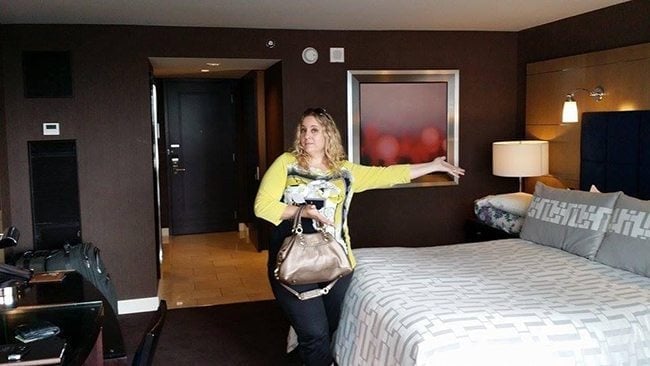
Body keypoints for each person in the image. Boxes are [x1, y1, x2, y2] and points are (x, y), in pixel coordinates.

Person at [254, 107, 465, 366]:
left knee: (326, 329)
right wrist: (301, 211)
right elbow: (262, 206)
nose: (307, 135)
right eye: (304, 129)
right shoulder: (287, 164)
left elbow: (387, 175)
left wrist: (431, 165)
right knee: (314, 333)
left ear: (329, 134)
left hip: (337, 263)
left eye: (314, 130)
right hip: (294, 261)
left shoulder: (344, 172)